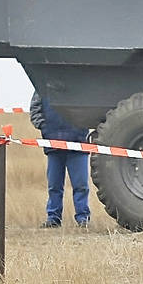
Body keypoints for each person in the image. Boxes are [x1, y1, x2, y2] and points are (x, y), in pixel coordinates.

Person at [29, 93, 91, 228]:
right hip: (53, 145)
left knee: (81, 186)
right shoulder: (42, 85)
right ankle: (53, 218)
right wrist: (45, 128)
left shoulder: (81, 85)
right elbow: (35, 110)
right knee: (54, 186)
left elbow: (90, 109)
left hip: (78, 144)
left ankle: (83, 219)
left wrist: (82, 129)